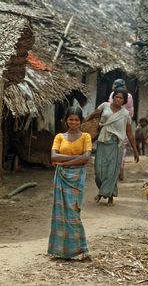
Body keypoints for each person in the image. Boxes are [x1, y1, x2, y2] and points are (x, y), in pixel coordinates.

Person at [48, 106, 92, 261]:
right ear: (66, 120)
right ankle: (60, 250)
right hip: (61, 177)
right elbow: (54, 157)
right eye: (71, 119)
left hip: (77, 178)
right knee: (60, 214)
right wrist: (75, 159)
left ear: (81, 121)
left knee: (73, 212)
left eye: (77, 119)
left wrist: (63, 161)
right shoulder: (60, 137)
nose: (73, 122)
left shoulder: (86, 136)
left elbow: (87, 157)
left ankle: (82, 249)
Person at [87, 87, 139, 205]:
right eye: (117, 97)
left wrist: (135, 150)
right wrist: (84, 123)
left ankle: (105, 194)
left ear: (124, 101)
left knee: (112, 171)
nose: (118, 99)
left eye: (121, 98)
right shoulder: (104, 106)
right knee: (99, 170)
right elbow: (94, 116)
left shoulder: (125, 114)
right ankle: (106, 191)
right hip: (102, 141)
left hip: (116, 144)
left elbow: (129, 133)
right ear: (113, 97)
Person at [108, 79, 134, 180]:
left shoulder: (112, 95)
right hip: (123, 125)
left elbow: (109, 108)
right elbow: (131, 113)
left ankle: (111, 172)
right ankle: (121, 170)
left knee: (111, 147)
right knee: (122, 148)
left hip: (112, 125)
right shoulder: (129, 96)